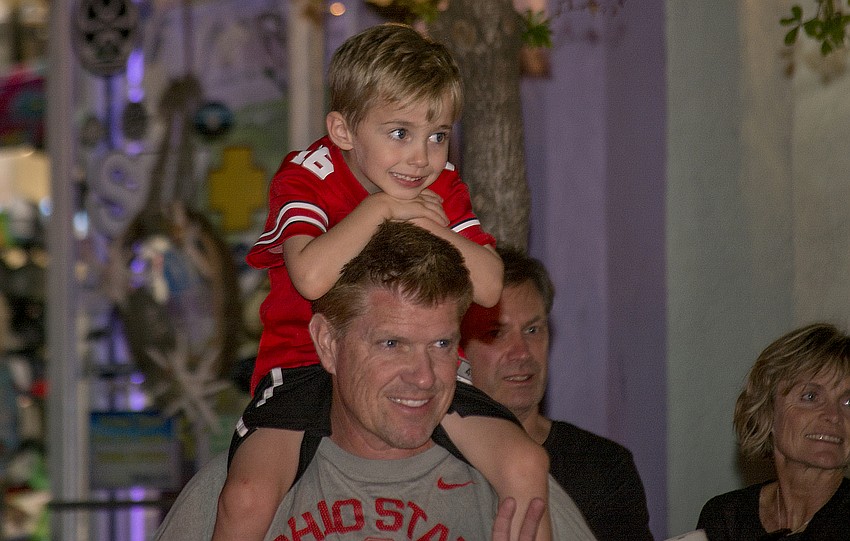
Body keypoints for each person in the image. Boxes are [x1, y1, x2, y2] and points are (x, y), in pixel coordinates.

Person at [215, 23, 553, 541]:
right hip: (301, 366)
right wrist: (381, 209)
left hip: (421, 362)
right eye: (400, 133)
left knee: (528, 464)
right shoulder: (308, 174)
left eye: (437, 136)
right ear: (343, 130)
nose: (421, 157)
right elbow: (310, 277)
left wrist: (430, 225)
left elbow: (489, 287)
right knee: (247, 496)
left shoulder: (441, 183)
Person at [155, 221, 596, 540]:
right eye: (392, 344)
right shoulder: (240, 489)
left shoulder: (513, 494)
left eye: (442, 344)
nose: (423, 377)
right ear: (328, 343)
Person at [461, 246, 654, 540]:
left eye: (533, 330)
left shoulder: (602, 466)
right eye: (496, 333)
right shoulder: (439, 462)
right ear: (459, 349)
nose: (522, 352)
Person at [696, 322, 850, 540]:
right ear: (767, 411)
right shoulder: (727, 516)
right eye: (811, 396)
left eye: (849, 401)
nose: (833, 415)